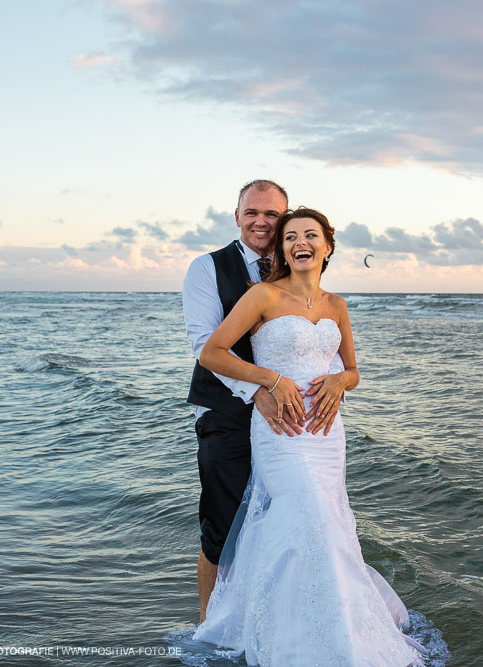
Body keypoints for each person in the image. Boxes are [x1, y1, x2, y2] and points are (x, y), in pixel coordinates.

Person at [192, 208, 425, 665]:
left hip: (326, 434)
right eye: (291, 236)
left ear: (327, 246)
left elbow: (353, 370)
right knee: (306, 518)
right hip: (281, 432)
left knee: (328, 523)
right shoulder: (262, 296)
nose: (301, 242)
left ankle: (336, 631)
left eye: (311, 235)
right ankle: (296, 641)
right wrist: (270, 381)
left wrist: (341, 382)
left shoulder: (337, 305)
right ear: (281, 249)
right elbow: (211, 353)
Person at [182, 180, 343, 623]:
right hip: (226, 413)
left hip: (296, 427)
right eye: (252, 212)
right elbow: (205, 345)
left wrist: (336, 381)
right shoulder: (206, 269)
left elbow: (321, 344)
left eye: (272, 215)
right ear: (237, 216)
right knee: (224, 524)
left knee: (291, 520)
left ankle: (278, 620)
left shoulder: (297, 269)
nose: (261, 222)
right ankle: (210, 627)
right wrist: (261, 389)